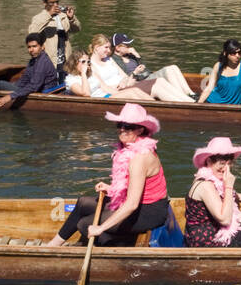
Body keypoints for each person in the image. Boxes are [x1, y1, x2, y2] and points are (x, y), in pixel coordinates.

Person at [47, 104, 169, 247]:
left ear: (140, 129)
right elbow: (133, 186)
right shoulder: (129, 150)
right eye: (120, 124)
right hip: (137, 203)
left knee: (85, 224)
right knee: (83, 203)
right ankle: (52, 246)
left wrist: (100, 228)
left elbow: (132, 204)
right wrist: (112, 189)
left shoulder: (140, 158)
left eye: (128, 126)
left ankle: (122, 244)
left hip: (149, 212)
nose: (122, 129)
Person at [184, 137, 241, 247]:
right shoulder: (206, 185)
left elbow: (217, 196)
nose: (226, 168)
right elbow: (225, 220)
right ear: (209, 161)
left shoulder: (208, 178)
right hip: (206, 241)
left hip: (206, 231)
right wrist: (229, 187)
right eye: (221, 163)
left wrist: (237, 196)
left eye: (229, 163)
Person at [109, 33, 195, 102]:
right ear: (118, 48)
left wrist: (138, 56)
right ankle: (185, 98)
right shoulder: (114, 60)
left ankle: (190, 94)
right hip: (140, 81)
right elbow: (125, 77)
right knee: (168, 70)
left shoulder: (130, 55)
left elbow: (145, 69)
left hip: (146, 76)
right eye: (126, 45)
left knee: (173, 67)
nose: (130, 47)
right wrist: (136, 71)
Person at [0, 34, 60, 108]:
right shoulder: (34, 60)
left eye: (34, 46)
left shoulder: (42, 62)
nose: (31, 50)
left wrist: (10, 96)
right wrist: (13, 87)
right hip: (35, 89)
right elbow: (24, 79)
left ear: (42, 47)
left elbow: (34, 86)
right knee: (5, 84)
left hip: (42, 93)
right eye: (29, 47)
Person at [28, 0, 79, 78]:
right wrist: (49, 15)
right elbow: (31, 34)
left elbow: (77, 29)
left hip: (66, 60)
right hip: (51, 61)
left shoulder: (63, 15)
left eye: (57, 2)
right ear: (44, 2)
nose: (56, 5)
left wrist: (71, 18)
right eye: (52, 3)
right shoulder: (38, 18)